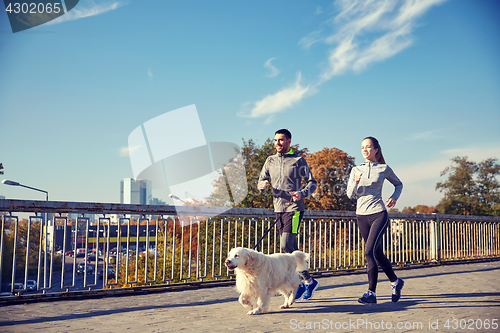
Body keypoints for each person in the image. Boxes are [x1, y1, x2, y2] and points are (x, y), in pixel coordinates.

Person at [258, 129, 319, 300]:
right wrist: (261, 185)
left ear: (289, 141)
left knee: (286, 244)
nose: (277, 143)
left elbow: (312, 183)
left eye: (281, 140)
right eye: (275, 140)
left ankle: (307, 280)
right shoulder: (270, 160)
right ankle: (302, 283)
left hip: (294, 208)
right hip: (278, 208)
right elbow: (261, 179)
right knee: (292, 247)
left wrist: (302, 193)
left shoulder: (298, 160)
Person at [346, 136, 404, 305]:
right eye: (362, 147)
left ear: (376, 149)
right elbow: (350, 195)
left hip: (378, 213)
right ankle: (395, 281)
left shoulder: (384, 168)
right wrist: (356, 183)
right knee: (377, 253)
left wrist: (394, 197)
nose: (365, 150)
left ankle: (371, 293)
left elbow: (398, 184)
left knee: (369, 251)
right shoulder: (355, 170)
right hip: (361, 215)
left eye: (368, 147)